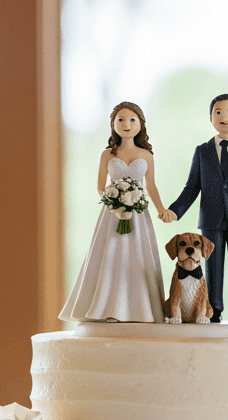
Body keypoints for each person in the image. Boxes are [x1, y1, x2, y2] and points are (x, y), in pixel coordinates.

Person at [60, 102, 169, 324]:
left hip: (139, 214)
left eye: (132, 119)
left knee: (137, 257)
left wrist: (160, 209)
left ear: (140, 124)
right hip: (112, 214)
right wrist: (114, 201)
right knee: (111, 255)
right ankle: (107, 306)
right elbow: (100, 185)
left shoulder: (146, 155)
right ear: (113, 124)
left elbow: (151, 186)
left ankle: (141, 309)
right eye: (121, 119)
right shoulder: (107, 154)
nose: (126, 124)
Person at [162, 93, 228, 323]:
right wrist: (175, 211)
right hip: (212, 218)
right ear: (211, 118)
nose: (224, 117)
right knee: (213, 266)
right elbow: (192, 187)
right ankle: (214, 307)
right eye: (218, 112)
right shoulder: (203, 151)